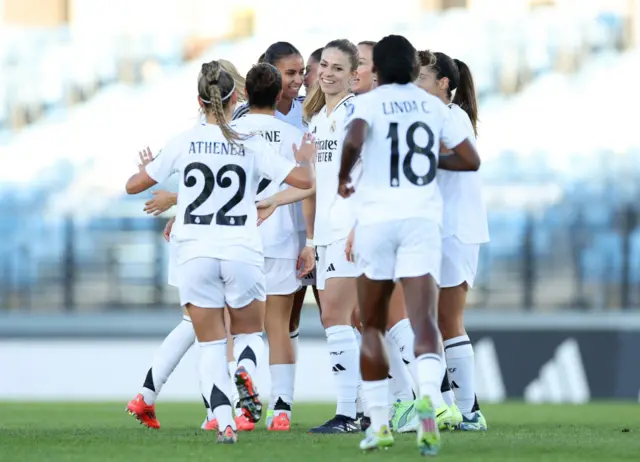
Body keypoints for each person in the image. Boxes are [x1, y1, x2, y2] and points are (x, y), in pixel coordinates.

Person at [124, 60, 315, 444]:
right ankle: (246, 368)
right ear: (235, 98)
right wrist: (305, 158)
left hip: (194, 252)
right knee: (247, 334)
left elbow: (133, 186)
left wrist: (150, 168)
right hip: (241, 249)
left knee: (210, 344)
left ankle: (225, 422)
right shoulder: (249, 141)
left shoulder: (183, 140)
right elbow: (304, 181)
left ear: (199, 99)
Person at [337, 35, 480, 454]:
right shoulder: (436, 107)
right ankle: (431, 402)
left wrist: (345, 177)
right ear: (414, 70)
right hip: (422, 220)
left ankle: (379, 423)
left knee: (373, 321)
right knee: (423, 319)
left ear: (377, 70)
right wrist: (429, 162)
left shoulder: (367, 104)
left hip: (378, 220)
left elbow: (353, 141)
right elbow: (470, 159)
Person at [128, 59, 252, 432]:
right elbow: (222, 189)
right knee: (215, 330)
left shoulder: (190, 135)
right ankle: (217, 411)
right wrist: (176, 201)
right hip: (214, 237)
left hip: (189, 234)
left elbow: (145, 183)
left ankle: (151, 396)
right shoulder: (238, 134)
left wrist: (172, 198)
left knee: (199, 325)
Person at [415, 50, 489, 431]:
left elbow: (469, 159)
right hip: (444, 229)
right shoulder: (440, 115)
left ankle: (469, 410)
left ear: (443, 83)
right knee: (436, 320)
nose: (417, 84)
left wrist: (426, 159)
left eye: (423, 78)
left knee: (448, 320)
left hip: (454, 231)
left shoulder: (450, 116)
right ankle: (458, 406)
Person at [302, 39, 361, 434]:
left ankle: (349, 413)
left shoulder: (355, 114)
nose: (328, 73)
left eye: (338, 68)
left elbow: (369, 171)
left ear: (354, 75)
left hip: (347, 230)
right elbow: (312, 184)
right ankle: (374, 408)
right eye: (324, 65)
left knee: (335, 317)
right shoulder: (317, 121)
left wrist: (360, 225)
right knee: (351, 321)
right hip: (326, 233)